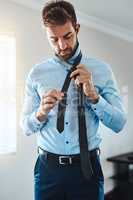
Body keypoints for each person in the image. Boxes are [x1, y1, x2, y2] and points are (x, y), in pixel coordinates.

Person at [20, 1, 127, 199]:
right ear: (47, 36)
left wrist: (95, 97)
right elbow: (25, 127)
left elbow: (120, 123)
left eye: (67, 36)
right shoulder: (37, 74)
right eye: (54, 39)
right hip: (47, 171)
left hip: (87, 170)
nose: (62, 45)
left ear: (77, 28)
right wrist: (41, 113)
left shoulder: (102, 70)